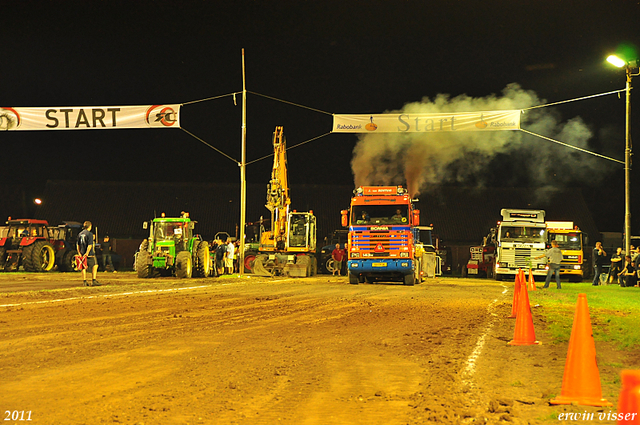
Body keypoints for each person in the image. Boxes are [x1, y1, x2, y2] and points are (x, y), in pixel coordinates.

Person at [77, 221, 101, 287]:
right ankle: (94, 280)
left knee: (83, 267)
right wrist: (87, 253)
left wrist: (79, 253)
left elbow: (78, 245)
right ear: (90, 226)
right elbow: (90, 245)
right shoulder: (89, 234)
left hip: (81, 253)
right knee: (95, 265)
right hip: (89, 254)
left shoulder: (80, 234)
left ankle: (84, 281)